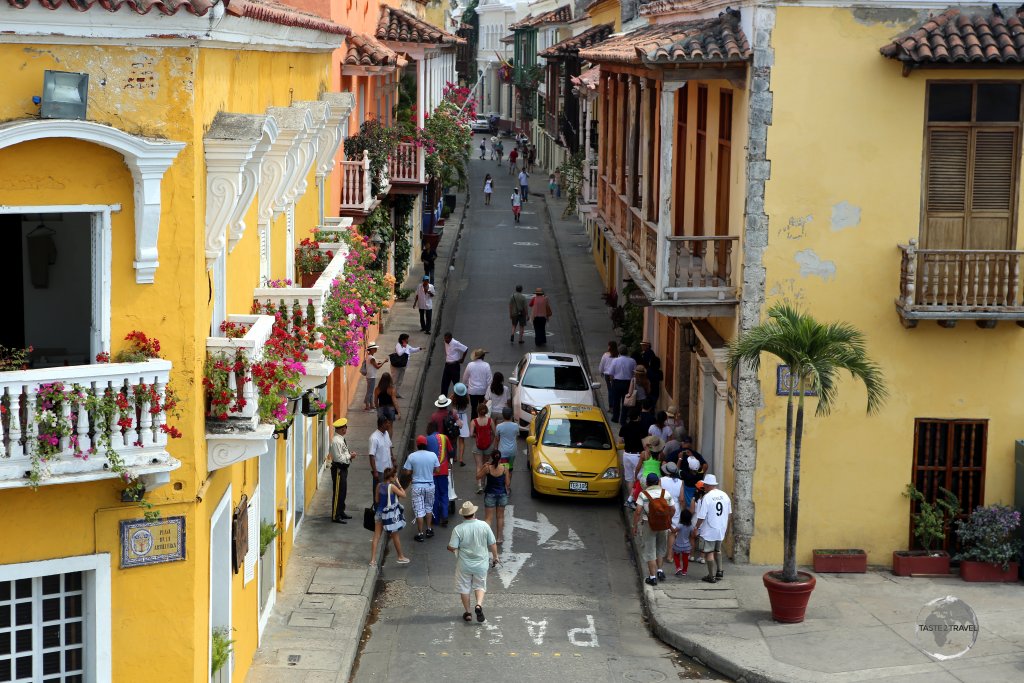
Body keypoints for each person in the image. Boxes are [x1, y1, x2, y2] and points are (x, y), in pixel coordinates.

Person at [447, 501, 499, 623]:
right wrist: (495, 557)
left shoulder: (458, 529)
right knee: (480, 585)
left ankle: (468, 613)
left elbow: (452, 547)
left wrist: (449, 548)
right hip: (481, 564)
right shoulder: (484, 525)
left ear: (463, 515)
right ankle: (479, 605)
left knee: (464, 588)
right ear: (474, 513)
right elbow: (492, 543)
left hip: (464, 565)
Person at [632, 472, 675, 585]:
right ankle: (660, 571)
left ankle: (652, 577)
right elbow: (673, 509)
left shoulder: (643, 494)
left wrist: (635, 525)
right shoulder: (665, 493)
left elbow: (637, 511)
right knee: (660, 547)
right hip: (663, 525)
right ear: (658, 482)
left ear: (647, 483)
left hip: (649, 524)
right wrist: (668, 519)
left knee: (650, 550)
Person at [369, 467, 411, 567]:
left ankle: (373, 560)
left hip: (379, 513)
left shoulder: (379, 485)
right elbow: (404, 495)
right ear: (391, 477)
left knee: (376, 536)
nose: (396, 477)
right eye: (395, 476)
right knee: (395, 535)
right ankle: (400, 556)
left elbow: (377, 500)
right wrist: (398, 484)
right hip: (389, 515)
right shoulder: (392, 487)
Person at [694, 474, 731, 583]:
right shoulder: (724, 495)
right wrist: (726, 528)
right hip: (721, 528)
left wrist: (696, 527)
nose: (704, 486)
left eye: (705, 485)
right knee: (717, 550)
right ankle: (719, 571)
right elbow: (729, 514)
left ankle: (711, 576)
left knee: (709, 553)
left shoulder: (707, 497)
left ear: (708, 485)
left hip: (709, 529)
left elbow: (701, 516)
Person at [404, 435, 441, 542]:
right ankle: (429, 529)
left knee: (419, 511)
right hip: (430, 485)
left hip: (417, 486)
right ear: (426, 444)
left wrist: (414, 471)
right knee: (429, 508)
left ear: (417, 444)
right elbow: (437, 470)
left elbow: (407, 472)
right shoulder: (432, 455)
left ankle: (420, 533)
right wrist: (429, 471)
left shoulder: (412, 456)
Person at [478, 451, 510, 542]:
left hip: (490, 494)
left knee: (488, 518)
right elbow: (507, 484)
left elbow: (478, 477)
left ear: (492, 457)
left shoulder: (487, 468)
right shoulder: (505, 469)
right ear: (500, 458)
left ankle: (486, 538)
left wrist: (483, 466)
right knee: (500, 517)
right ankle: (499, 538)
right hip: (502, 494)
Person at [426, 422, 453, 527]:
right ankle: (445, 516)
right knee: (444, 493)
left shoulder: (427, 439)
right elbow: (451, 452)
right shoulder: (444, 437)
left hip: (431, 472)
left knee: (434, 495)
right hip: (443, 470)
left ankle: (435, 518)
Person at [627, 435, 664, 508]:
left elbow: (638, 468)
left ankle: (643, 509)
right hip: (657, 479)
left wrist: (635, 477)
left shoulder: (644, 454)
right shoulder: (661, 455)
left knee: (645, 496)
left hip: (645, 479)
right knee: (654, 497)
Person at [330, 418, 354, 523]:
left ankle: (341, 511)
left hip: (343, 469)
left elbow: (343, 454)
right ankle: (336, 515)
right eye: (345, 427)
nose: (346, 429)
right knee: (338, 493)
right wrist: (350, 456)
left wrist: (348, 455)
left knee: (343, 492)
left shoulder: (340, 439)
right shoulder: (336, 441)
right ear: (341, 429)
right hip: (339, 469)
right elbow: (338, 458)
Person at [619, 407, 646, 498]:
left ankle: (631, 498)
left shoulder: (624, 427)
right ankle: (638, 498)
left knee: (629, 478)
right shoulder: (641, 427)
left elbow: (620, 441)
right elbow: (644, 444)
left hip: (626, 454)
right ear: (638, 417)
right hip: (637, 456)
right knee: (639, 477)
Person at [659, 461, 684, 562]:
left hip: (663, 507)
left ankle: (660, 554)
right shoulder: (681, 482)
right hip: (675, 508)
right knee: (672, 533)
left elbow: (659, 495)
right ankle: (670, 556)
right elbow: (681, 499)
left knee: (661, 530)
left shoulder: (661, 480)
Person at [470, 403, 496, 494]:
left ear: (478, 411)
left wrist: (477, 435)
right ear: (486, 411)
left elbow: (471, 434)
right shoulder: (490, 421)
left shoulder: (474, 422)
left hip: (478, 447)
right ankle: (484, 484)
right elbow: (494, 432)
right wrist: (491, 441)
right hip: (488, 446)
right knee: (485, 465)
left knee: (478, 466)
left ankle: (479, 485)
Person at [608, 345, 637, 423]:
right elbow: (634, 374)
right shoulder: (632, 361)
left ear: (619, 352)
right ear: (627, 352)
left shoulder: (615, 361)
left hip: (617, 382)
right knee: (626, 401)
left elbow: (611, 373)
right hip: (628, 383)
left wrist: (612, 382)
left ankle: (615, 417)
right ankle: (623, 419)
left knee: (616, 401)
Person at [462, 349, 493, 419]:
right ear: (483, 356)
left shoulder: (470, 365)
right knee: (482, 409)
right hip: (483, 391)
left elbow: (464, 379)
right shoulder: (486, 365)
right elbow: (490, 381)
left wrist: (466, 388)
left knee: (474, 409)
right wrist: (489, 393)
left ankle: (474, 424)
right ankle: (482, 424)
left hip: (473, 392)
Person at [368, 416, 394, 497]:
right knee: (379, 493)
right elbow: (371, 455)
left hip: (388, 469)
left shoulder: (386, 434)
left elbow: (389, 446)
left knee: (388, 492)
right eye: (387, 423)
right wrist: (375, 471)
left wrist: (393, 460)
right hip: (380, 471)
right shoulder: (374, 438)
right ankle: (377, 509)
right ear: (382, 424)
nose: (389, 424)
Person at [679, 436, 707, 508]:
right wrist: (692, 456)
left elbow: (676, 469)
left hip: (688, 505)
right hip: (697, 505)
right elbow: (705, 465)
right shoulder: (700, 475)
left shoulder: (685, 475)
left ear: (689, 467)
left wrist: (680, 458)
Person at [362, 343, 386, 412]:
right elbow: (377, 367)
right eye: (374, 348)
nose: (376, 349)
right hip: (371, 376)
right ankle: (367, 406)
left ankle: (372, 405)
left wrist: (378, 363)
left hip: (370, 376)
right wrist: (384, 362)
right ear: (371, 349)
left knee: (371, 391)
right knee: (369, 392)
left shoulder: (369, 357)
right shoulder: (371, 358)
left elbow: (373, 365)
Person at [452, 383, 471, 468]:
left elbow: (449, 401)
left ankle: (454, 456)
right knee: (461, 440)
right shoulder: (466, 399)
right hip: (463, 417)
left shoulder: (454, 398)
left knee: (454, 439)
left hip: (455, 418)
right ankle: (461, 458)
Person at [494, 406, 519, 471]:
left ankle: (505, 481)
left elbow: (496, 439)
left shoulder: (499, 426)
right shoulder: (516, 426)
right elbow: (516, 437)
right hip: (512, 451)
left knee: (504, 470)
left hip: (503, 452)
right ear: (511, 415)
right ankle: (509, 481)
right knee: (510, 469)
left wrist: (495, 449)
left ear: (503, 415)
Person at [672, 509, 694, 576]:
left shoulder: (680, 525)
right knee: (685, 559)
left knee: (676, 556)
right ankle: (684, 571)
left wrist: (669, 526)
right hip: (687, 546)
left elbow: (674, 531)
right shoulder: (691, 526)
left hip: (678, 545)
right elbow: (692, 536)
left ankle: (678, 567)